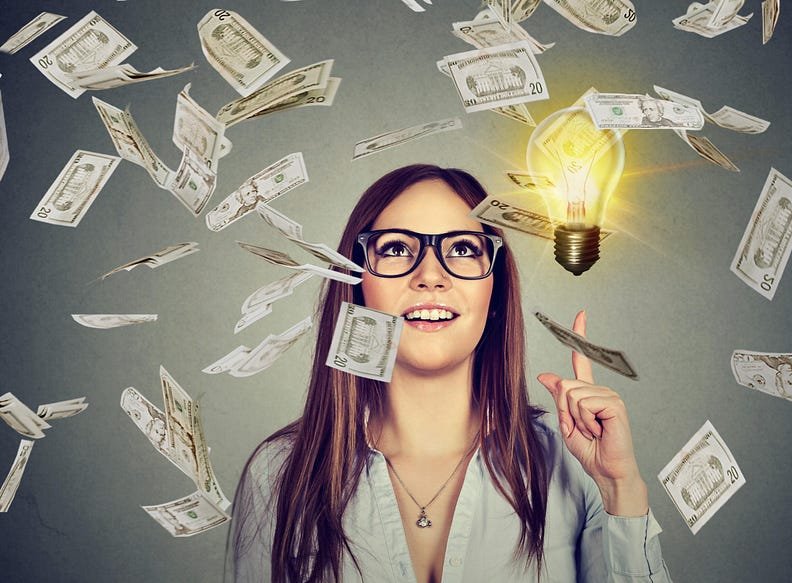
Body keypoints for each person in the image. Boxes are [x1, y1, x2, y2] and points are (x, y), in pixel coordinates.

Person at [226, 164, 672, 583]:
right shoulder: (279, 473)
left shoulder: (575, 466)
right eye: (397, 248)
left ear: (494, 292)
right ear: (357, 284)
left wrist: (620, 488)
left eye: (461, 249)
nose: (430, 276)